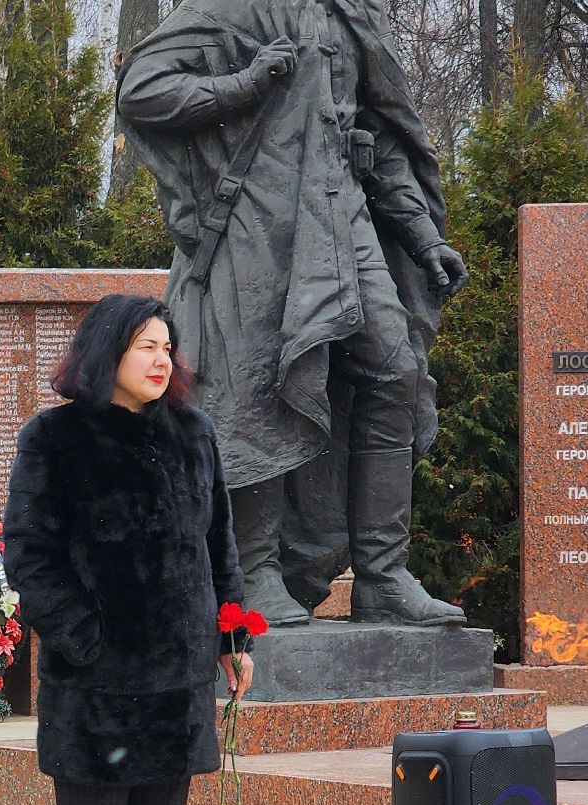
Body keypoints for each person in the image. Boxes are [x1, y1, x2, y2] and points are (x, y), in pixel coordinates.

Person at [116, 0, 469, 626]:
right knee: (261, 387)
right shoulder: (234, 7)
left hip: (344, 223)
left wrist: (423, 235)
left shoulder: (354, 17)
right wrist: (241, 86)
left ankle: (383, 575)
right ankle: (255, 572)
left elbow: (378, 140)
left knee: (396, 374)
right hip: (261, 227)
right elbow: (144, 91)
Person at [1, 295, 255, 805]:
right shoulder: (55, 438)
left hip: (178, 681)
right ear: (106, 350)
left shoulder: (193, 434)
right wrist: (84, 640)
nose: (159, 360)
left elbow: (221, 546)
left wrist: (232, 639)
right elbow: (30, 556)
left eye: (167, 348)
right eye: (145, 344)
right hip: (97, 686)